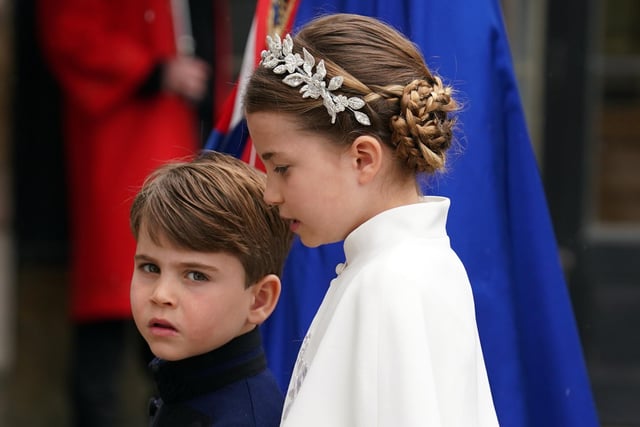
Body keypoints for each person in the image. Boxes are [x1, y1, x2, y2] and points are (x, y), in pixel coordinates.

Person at [244, 13, 499, 426]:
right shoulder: (411, 266)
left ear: (362, 158)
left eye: (282, 167)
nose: (270, 194)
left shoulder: (389, 282)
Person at [35, 1, 230, 425]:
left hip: (182, 137)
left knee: (170, 312)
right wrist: (154, 70)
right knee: (114, 305)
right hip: (127, 140)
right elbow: (70, 32)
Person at [129, 151, 293, 426]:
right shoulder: (185, 388)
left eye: (196, 275)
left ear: (259, 300)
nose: (161, 295)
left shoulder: (241, 417)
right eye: (150, 268)